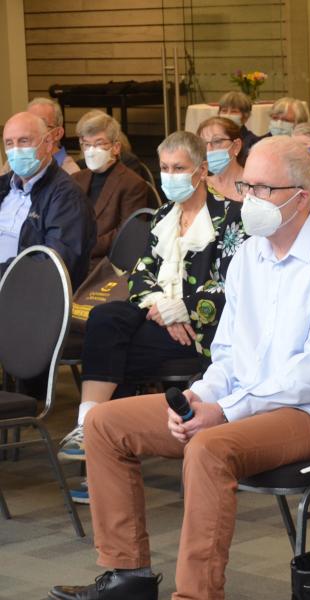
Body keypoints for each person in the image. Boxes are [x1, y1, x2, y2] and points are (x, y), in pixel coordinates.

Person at [50, 135, 310, 600]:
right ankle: (128, 577)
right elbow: (226, 354)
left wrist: (224, 411)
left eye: (264, 189)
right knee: (104, 423)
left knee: (208, 446)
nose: (249, 199)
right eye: (246, 186)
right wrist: (200, 397)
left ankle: (198, 594)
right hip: (242, 403)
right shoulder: (249, 256)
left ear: (302, 198)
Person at [56, 131, 246, 466]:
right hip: (157, 317)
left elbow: (234, 284)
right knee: (106, 318)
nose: (170, 176)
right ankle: (91, 425)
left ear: (201, 170)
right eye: (164, 168)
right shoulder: (162, 217)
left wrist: (181, 310)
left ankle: (98, 441)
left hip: (201, 329)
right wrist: (163, 308)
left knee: (112, 353)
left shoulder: (232, 216)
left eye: (179, 168)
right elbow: (140, 274)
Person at [0, 112, 95, 288]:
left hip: (23, 293)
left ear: (49, 143)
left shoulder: (67, 197)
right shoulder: (3, 187)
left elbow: (53, 264)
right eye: (9, 143)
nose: (16, 150)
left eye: (24, 141)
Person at [71, 111, 152, 268]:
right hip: (71, 260)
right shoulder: (76, 179)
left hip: (106, 265)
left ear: (116, 147)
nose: (91, 150)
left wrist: (84, 247)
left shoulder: (132, 184)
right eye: (87, 144)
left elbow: (126, 235)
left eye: (99, 143)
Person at [1, 97, 80, 176]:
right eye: (28, 124)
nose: (31, 131)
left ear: (58, 133)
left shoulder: (70, 171)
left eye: (41, 124)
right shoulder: (13, 163)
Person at [197, 116, 244, 202]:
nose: (208, 149)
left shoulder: (254, 185)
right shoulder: (200, 185)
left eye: (217, 141)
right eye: (203, 144)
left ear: (237, 146)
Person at [217, 91, 260, 164]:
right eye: (224, 111)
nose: (228, 115)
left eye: (234, 112)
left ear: (245, 116)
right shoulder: (211, 139)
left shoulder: (252, 142)